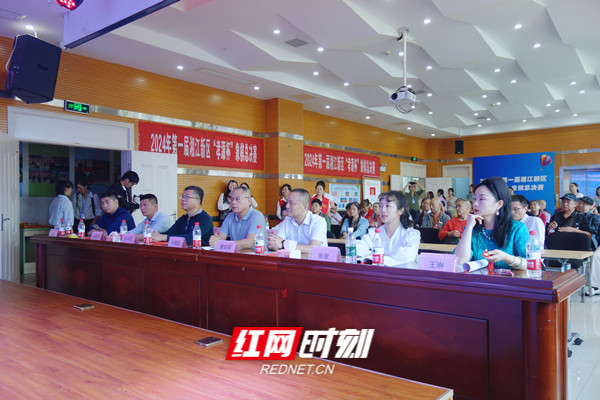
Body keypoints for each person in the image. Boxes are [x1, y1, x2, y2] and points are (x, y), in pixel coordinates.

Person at [455, 176, 529, 270]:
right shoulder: (473, 229)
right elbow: (459, 262)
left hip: (509, 279)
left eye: (482, 199)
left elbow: (531, 262)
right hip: (479, 279)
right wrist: (469, 227)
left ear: (499, 204)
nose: (475, 204)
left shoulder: (517, 229)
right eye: (475, 198)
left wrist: (506, 258)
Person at [357, 190, 421, 267]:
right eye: (381, 206)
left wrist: (379, 255)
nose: (383, 210)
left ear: (400, 211)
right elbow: (358, 248)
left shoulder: (411, 234)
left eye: (388, 206)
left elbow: (408, 256)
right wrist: (377, 254)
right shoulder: (374, 233)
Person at [267, 188, 327, 254]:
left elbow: (313, 248)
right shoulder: (287, 220)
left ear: (305, 207)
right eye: (287, 202)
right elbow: (278, 243)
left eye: (291, 203)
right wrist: (273, 244)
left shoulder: (319, 221)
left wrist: (284, 245)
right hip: (292, 259)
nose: (287, 206)